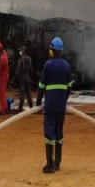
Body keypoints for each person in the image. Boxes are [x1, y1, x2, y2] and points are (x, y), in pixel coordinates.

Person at [36, 37, 72, 174]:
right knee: (59, 132)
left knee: (49, 132)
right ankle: (57, 163)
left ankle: (49, 165)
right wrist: (63, 99)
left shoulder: (48, 65)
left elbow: (41, 86)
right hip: (61, 105)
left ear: (52, 51)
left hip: (50, 104)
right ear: (61, 51)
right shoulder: (67, 66)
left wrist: (38, 103)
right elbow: (69, 87)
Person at [13, 46, 34, 112]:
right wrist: (31, 77)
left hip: (22, 79)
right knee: (28, 93)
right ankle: (31, 107)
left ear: (23, 51)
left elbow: (18, 70)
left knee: (22, 93)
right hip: (28, 78)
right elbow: (31, 70)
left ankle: (20, 107)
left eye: (21, 50)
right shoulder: (29, 59)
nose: (20, 52)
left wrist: (13, 78)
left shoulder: (21, 59)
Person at [0, 41, 10, 114]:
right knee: (2, 92)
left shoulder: (2, 59)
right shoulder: (5, 53)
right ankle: (4, 107)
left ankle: (3, 108)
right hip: (5, 75)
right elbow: (1, 46)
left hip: (3, 76)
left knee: (1, 92)